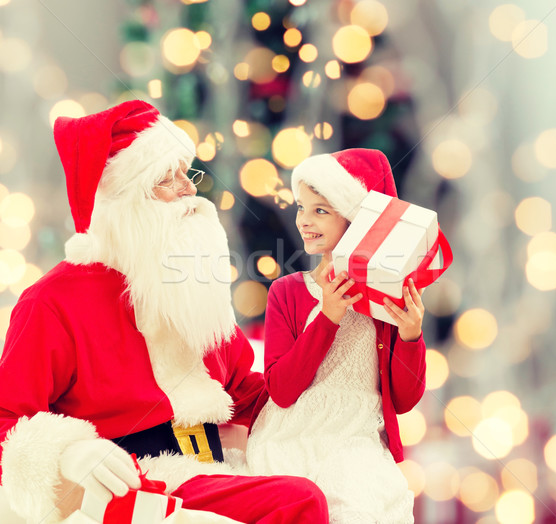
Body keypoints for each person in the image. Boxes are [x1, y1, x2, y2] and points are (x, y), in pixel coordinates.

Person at [0, 100, 328, 524]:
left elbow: (243, 389)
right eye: (165, 179)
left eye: (185, 173)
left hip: (216, 465)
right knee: (297, 501)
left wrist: (324, 379)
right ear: (122, 200)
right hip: (141, 481)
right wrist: (71, 451)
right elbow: (7, 419)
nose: (189, 189)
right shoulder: (52, 301)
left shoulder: (188, 280)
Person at [245, 149, 427, 523]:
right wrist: (327, 316)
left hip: (359, 440)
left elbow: (404, 399)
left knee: (364, 505)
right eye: (301, 207)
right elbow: (281, 389)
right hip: (293, 436)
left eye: (321, 211)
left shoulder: (388, 301)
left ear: (356, 221)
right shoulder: (288, 292)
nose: (304, 222)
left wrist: (410, 338)